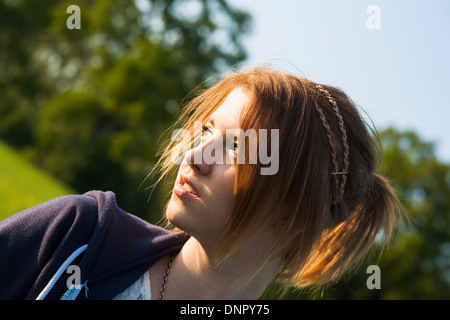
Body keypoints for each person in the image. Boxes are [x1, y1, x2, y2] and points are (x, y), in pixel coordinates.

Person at [0, 66, 404, 300]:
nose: (193, 156)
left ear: (294, 213)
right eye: (207, 130)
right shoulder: (79, 235)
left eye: (234, 149)